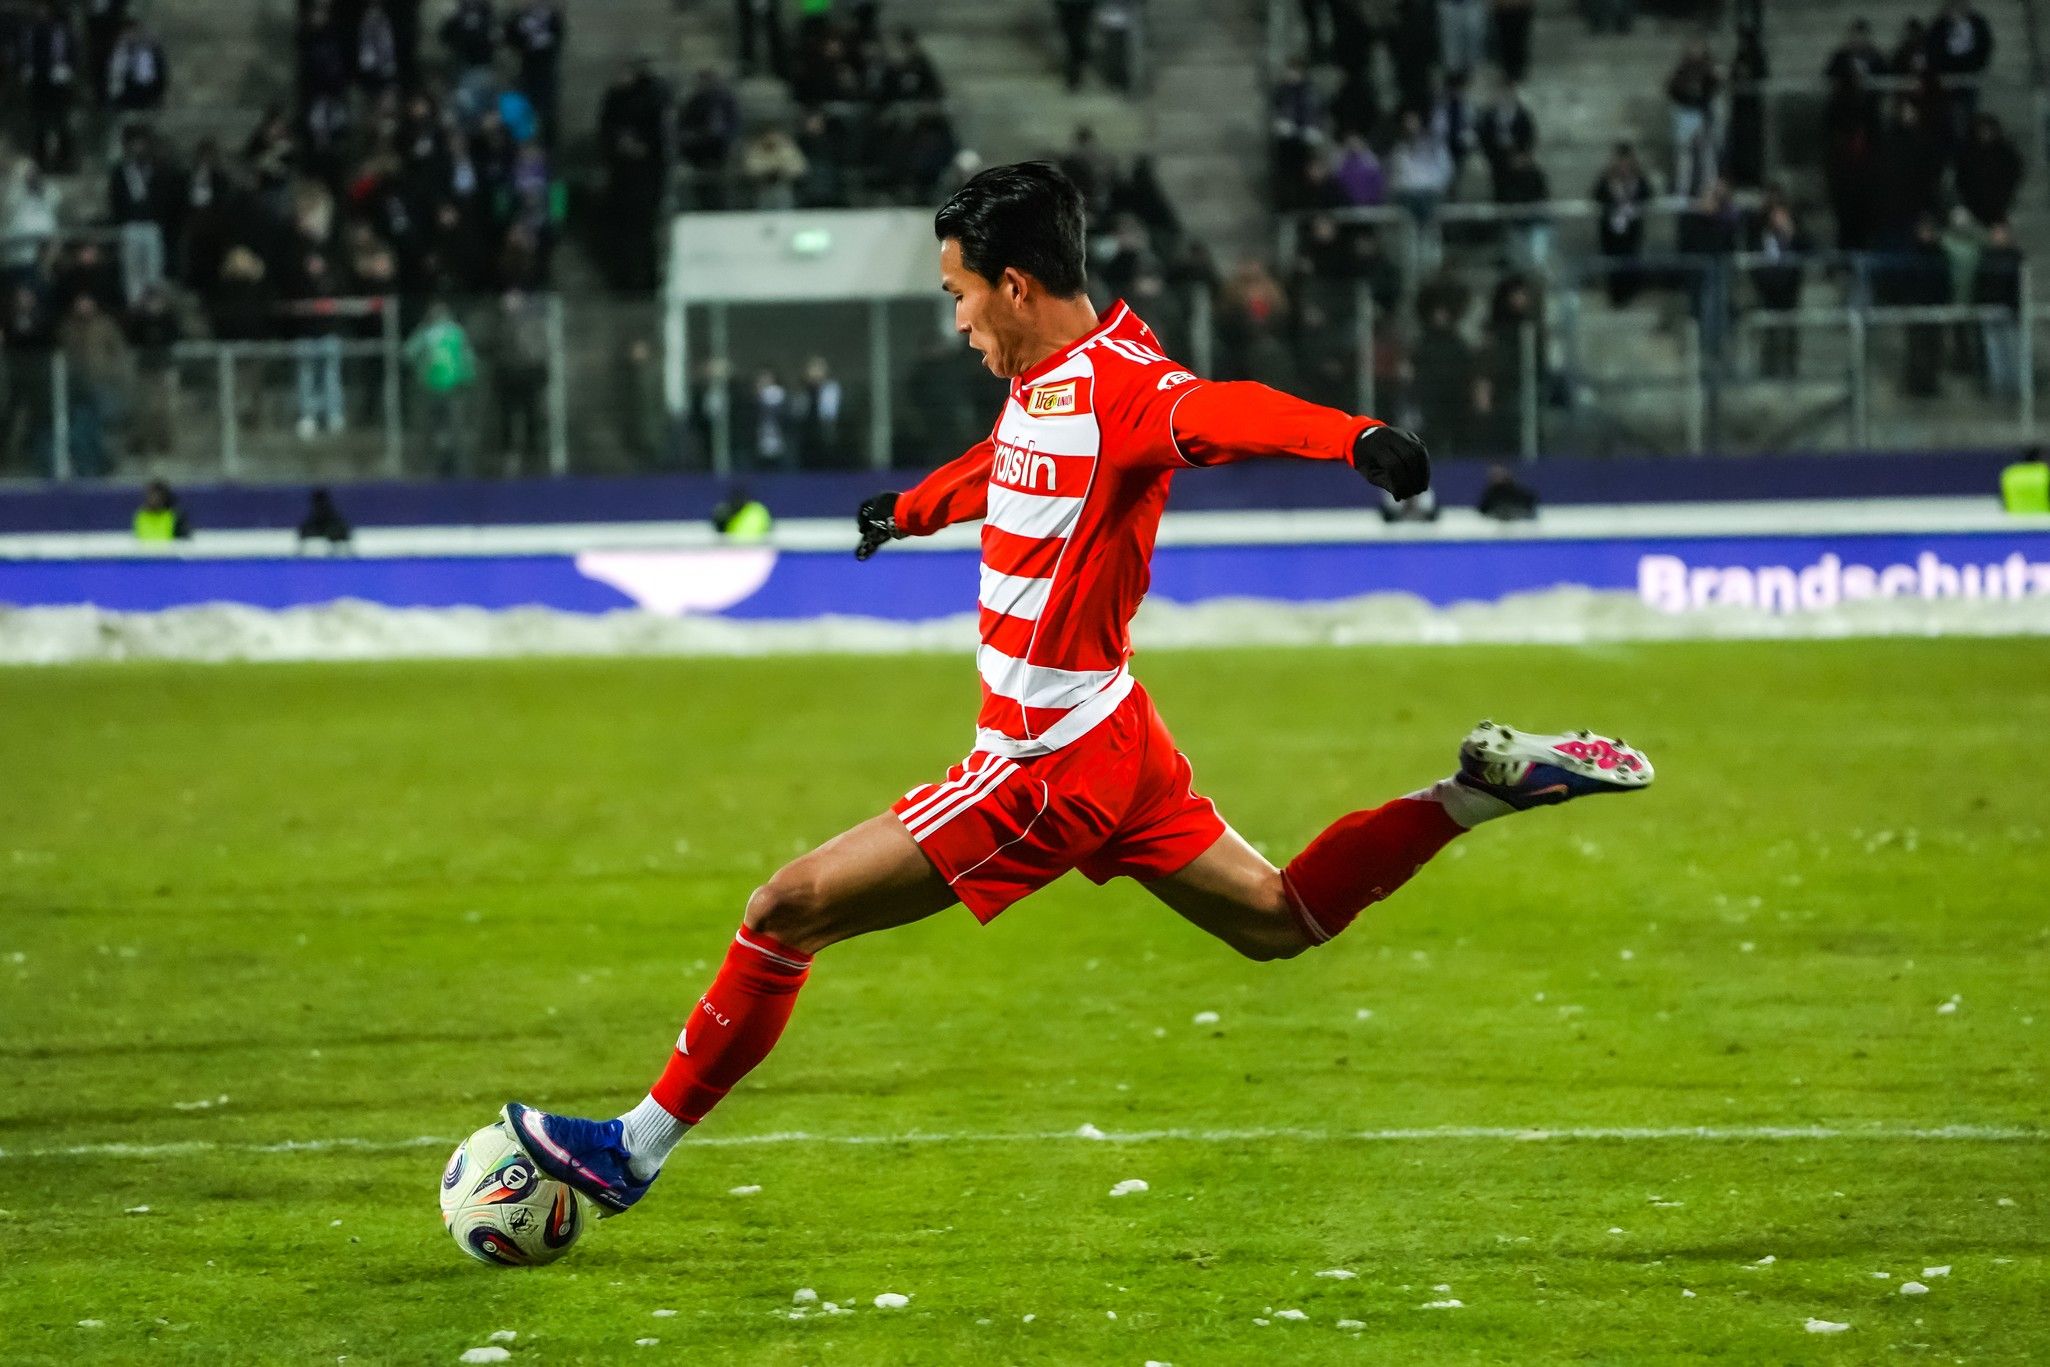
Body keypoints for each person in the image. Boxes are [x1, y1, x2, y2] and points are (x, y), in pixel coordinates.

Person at [498, 162, 1656, 1208]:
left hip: (1042, 764)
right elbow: (1005, 464)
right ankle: (1474, 792)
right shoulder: (1052, 378)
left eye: (956, 293)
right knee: (1279, 919)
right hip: (1117, 733)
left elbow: (1221, 409)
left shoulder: (1125, 392)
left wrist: (1353, 437)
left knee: (782, 910)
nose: (954, 320)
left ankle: (632, 1148)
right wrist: (908, 510)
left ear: (1012, 284)